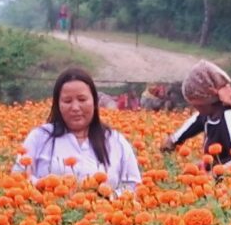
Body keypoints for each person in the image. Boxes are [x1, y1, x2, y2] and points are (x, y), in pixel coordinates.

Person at [15, 67, 141, 195]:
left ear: (94, 101)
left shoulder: (115, 141)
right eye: (67, 101)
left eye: (82, 100)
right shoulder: (40, 137)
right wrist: (48, 188)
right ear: (58, 104)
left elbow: (133, 187)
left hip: (104, 212)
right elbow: (19, 178)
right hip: (47, 211)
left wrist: (108, 198)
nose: (75, 107)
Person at [167, 60, 231, 179]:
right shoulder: (209, 113)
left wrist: (210, 175)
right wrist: (173, 140)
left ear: (207, 100)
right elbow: (193, 123)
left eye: (196, 104)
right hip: (217, 183)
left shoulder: (228, 118)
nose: (195, 108)